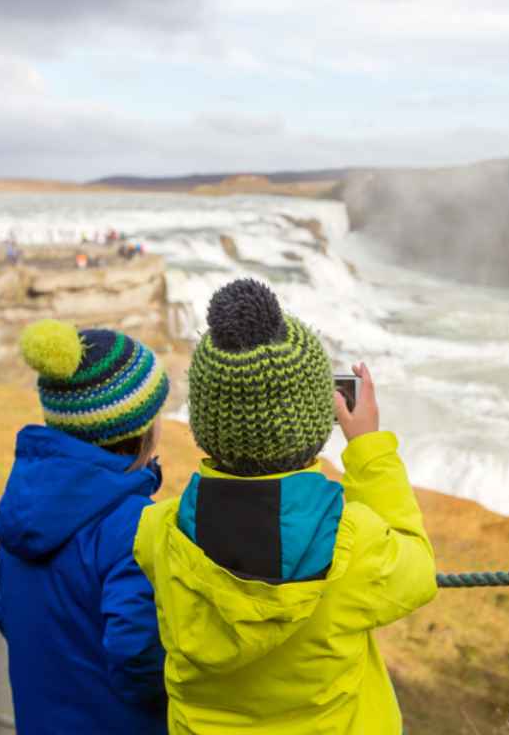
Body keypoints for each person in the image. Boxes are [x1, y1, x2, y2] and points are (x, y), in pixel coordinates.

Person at [134, 278, 437, 734]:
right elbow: (417, 567)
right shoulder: (353, 544)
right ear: (318, 418)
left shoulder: (159, 533)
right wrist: (369, 449)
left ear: (206, 421)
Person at [0, 320, 172, 734]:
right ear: (138, 427)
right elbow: (138, 655)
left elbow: (9, 619)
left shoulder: (21, 509)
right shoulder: (132, 525)